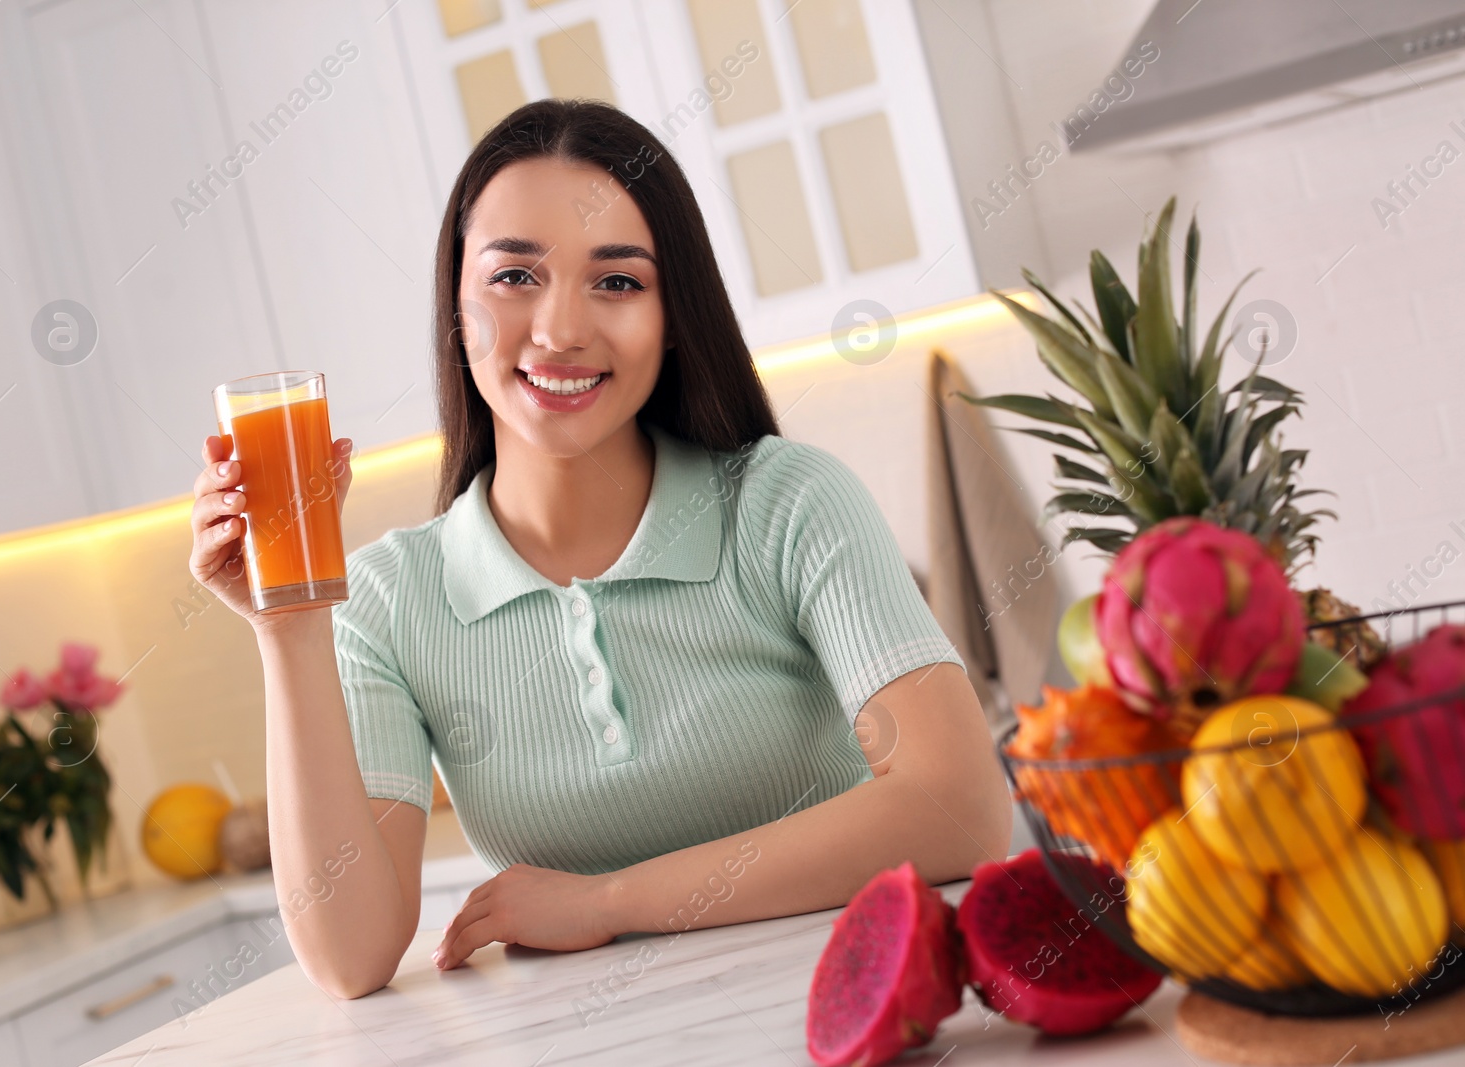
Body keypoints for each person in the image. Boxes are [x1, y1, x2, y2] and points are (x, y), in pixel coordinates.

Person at [189, 99, 1010, 1000]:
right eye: (514, 278)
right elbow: (351, 956)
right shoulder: (393, 600)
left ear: (672, 313)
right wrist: (291, 629)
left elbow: (960, 806)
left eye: (617, 282)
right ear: (456, 310)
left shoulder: (787, 504)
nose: (560, 329)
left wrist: (610, 900)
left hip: (867, 1016)